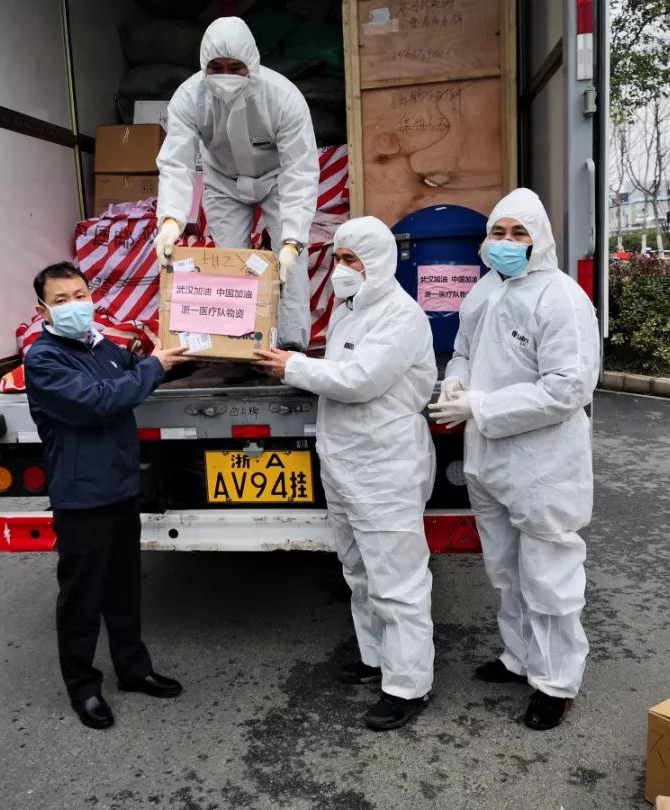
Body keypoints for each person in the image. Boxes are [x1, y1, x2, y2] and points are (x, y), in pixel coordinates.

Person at [254, 217, 438, 731]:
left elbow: (360, 380)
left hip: (385, 466)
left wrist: (291, 366)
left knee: (397, 579)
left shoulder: (402, 316)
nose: (340, 269)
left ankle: (408, 685)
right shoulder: (348, 308)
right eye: (336, 258)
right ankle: (375, 657)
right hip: (345, 461)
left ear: (377, 263)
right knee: (358, 569)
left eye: (351, 259)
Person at [427, 188, 601, 731]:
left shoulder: (562, 298)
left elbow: (568, 388)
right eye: (498, 232)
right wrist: (456, 383)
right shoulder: (485, 290)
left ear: (539, 239)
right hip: (489, 458)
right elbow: (463, 351)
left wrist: (478, 406)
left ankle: (556, 681)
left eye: (518, 233)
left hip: (543, 463)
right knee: (505, 570)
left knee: (548, 574)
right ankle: (520, 656)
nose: (506, 242)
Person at [24, 261, 191, 730]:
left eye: (80, 295)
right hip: (82, 496)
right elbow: (99, 401)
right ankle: (84, 688)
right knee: (81, 596)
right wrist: (153, 367)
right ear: (42, 310)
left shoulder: (100, 346)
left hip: (119, 486)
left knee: (123, 588)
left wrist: (198, 348)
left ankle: (133, 669)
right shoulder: (45, 359)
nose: (74, 305)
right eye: (61, 300)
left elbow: (140, 373)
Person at [154, 16, 319, 351]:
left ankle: (290, 349)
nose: (226, 75)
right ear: (204, 65)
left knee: (290, 262)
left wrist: (292, 240)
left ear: (252, 64)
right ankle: (239, 346)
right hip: (223, 181)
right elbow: (176, 161)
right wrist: (171, 218)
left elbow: (299, 170)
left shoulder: (283, 97)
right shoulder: (188, 97)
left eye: (235, 67)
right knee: (230, 263)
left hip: (275, 180)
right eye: (216, 67)